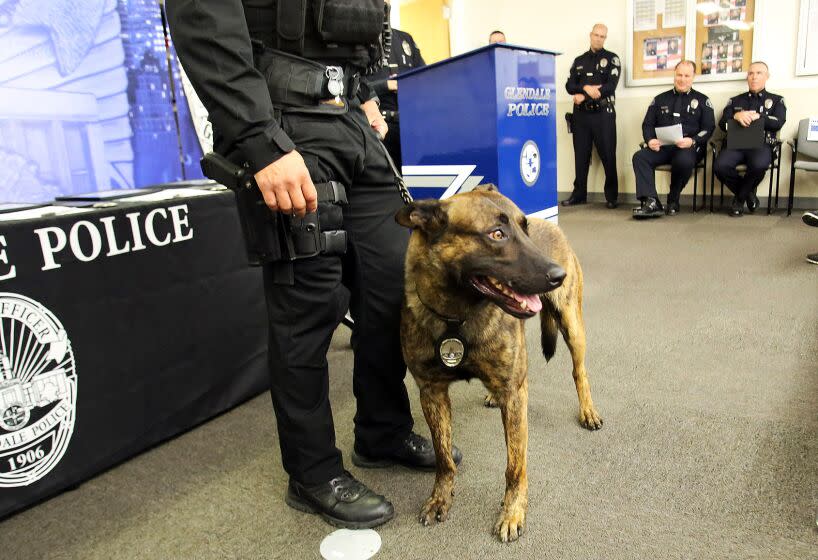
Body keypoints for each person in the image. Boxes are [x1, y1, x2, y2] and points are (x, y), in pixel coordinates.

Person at [165, 0, 461, 530]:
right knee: (308, 307)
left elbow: (346, 31)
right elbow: (203, 19)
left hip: (348, 116)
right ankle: (311, 471)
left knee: (392, 285)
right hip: (282, 125)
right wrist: (258, 139)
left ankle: (382, 430)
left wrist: (363, 91)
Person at [632, 60, 715, 219]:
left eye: (686, 75)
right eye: (679, 75)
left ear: (693, 77)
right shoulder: (659, 99)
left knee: (683, 161)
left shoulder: (703, 101)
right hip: (663, 147)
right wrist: (650, 140)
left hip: (688, 147)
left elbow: (709, 128)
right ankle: (652, 201)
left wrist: (693, 140)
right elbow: (647, 125)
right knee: (639, 157)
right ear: (674, 75)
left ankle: (673, 197)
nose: (682, 79)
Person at [713, 61, 786, 217]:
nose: (754, 77)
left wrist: (760, 117)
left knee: (759, 165)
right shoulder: (735, 101)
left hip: (761, 144)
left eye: (759, 73)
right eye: (751, 73)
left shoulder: (777, 100)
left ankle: (739, 200)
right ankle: (748, 195)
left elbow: (778, 123)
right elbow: (722, 124)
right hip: (736, 143)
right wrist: (735, 116)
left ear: (767, 76)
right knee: (720, 166)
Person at [563, 23, 621, 208]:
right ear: (590, 35)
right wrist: (586, 88)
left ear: (605, 38)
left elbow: (610, 86)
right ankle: (579, 194)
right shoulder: (579, 60)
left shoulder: (612, 59)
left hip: (603, 114)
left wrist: (583, 94)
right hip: (581, 116)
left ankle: (611, 197)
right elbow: (569, 86)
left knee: (608, 156)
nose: (598, 38)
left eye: (602, 36)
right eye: (596, 35)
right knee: (580, 156)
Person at [367, 23, 425, 171]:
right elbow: (353, 85)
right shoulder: (362, 40)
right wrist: (387, 85)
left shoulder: (405, 39)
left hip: (411, 131)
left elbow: (424, 78)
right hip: (378, 130)